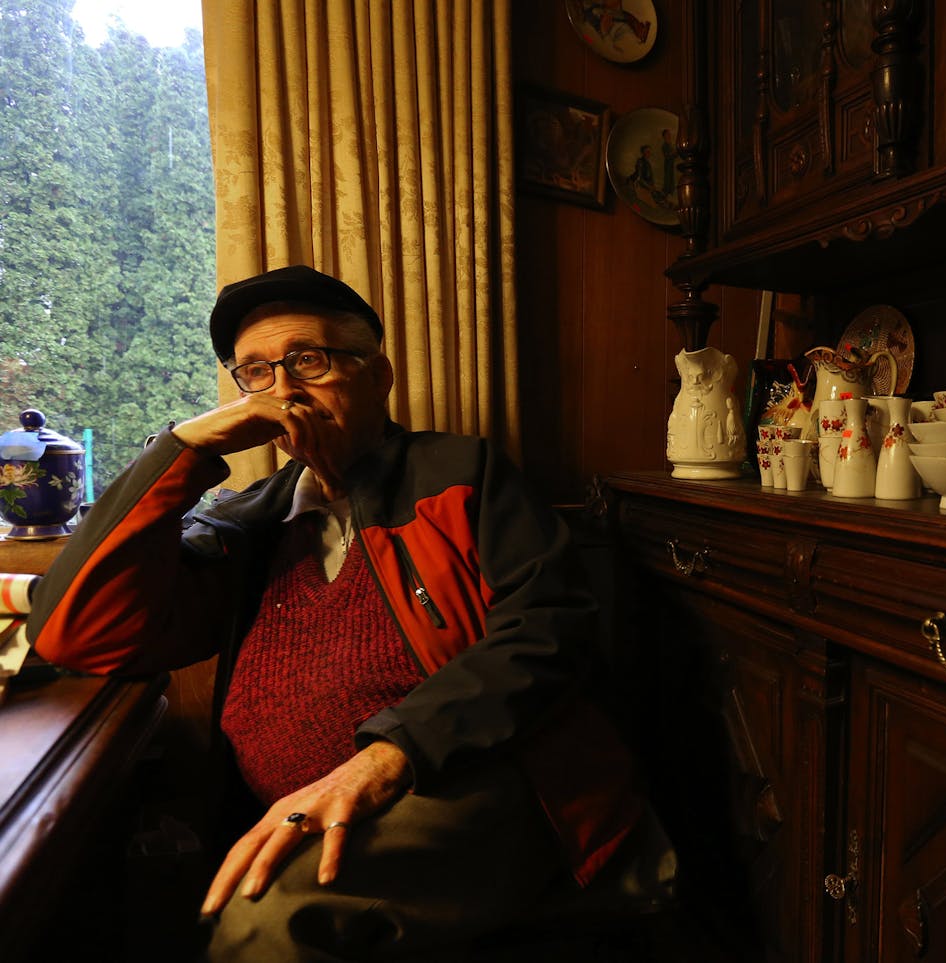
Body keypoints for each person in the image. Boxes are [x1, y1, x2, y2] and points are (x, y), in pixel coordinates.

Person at [26, 265, 643, 961]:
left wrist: (388, 753)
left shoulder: (458, 472)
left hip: (471, 776)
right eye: (256, 372)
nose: (284, 389)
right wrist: (185, 448)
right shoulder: (246, 522)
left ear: (378, 378)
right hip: (300, 811)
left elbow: (550, 627)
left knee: (267, 927)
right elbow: (69, 630)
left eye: (308, 361)